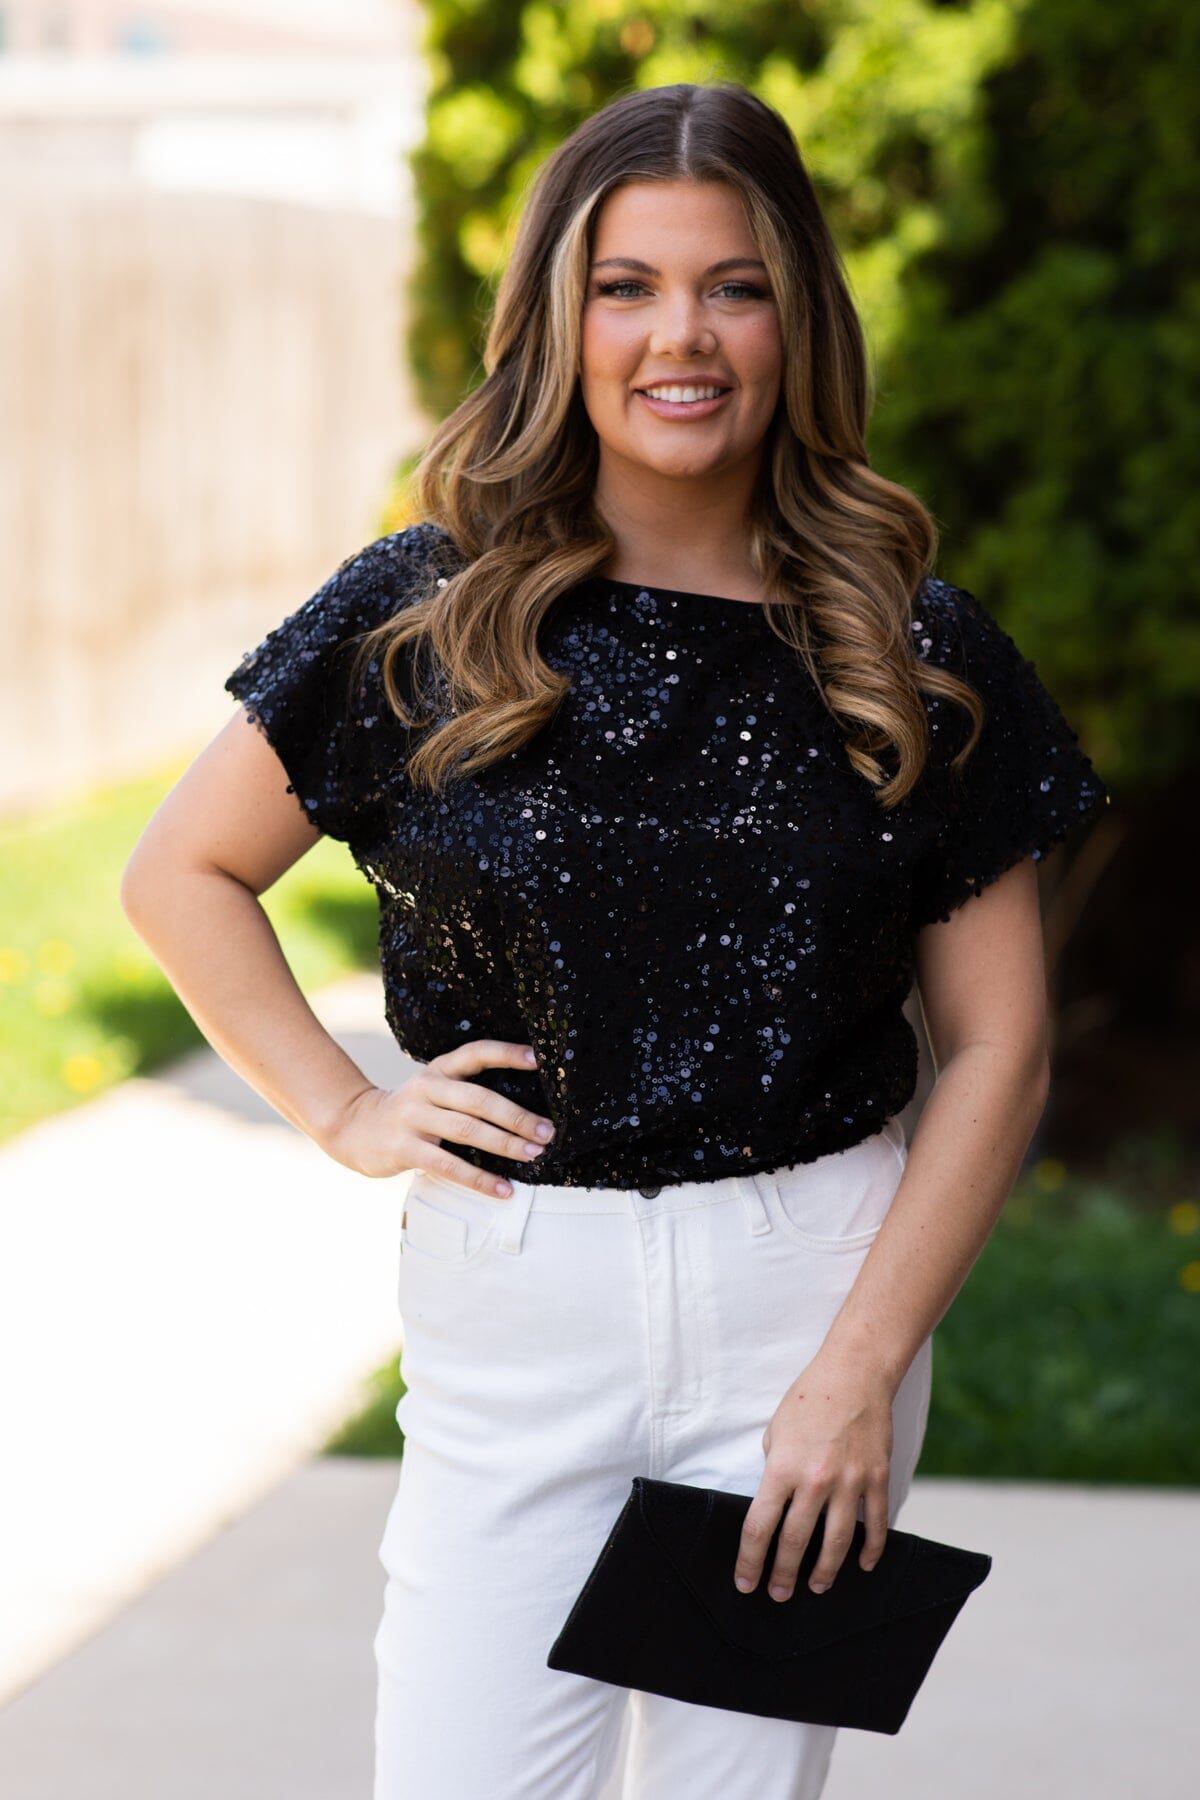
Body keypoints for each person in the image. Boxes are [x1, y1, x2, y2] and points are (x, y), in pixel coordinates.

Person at [121, 80, 1109, 1800]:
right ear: (555, 321)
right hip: (517, 1305)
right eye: (626, 285)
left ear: (796, 314)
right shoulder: (420, 612)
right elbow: (182, 872)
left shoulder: (910, 646)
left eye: (734, 285)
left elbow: (1003, 1048)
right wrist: (347, 1109)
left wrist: (856, 1377)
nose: (685, 336)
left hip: (810, 1301)